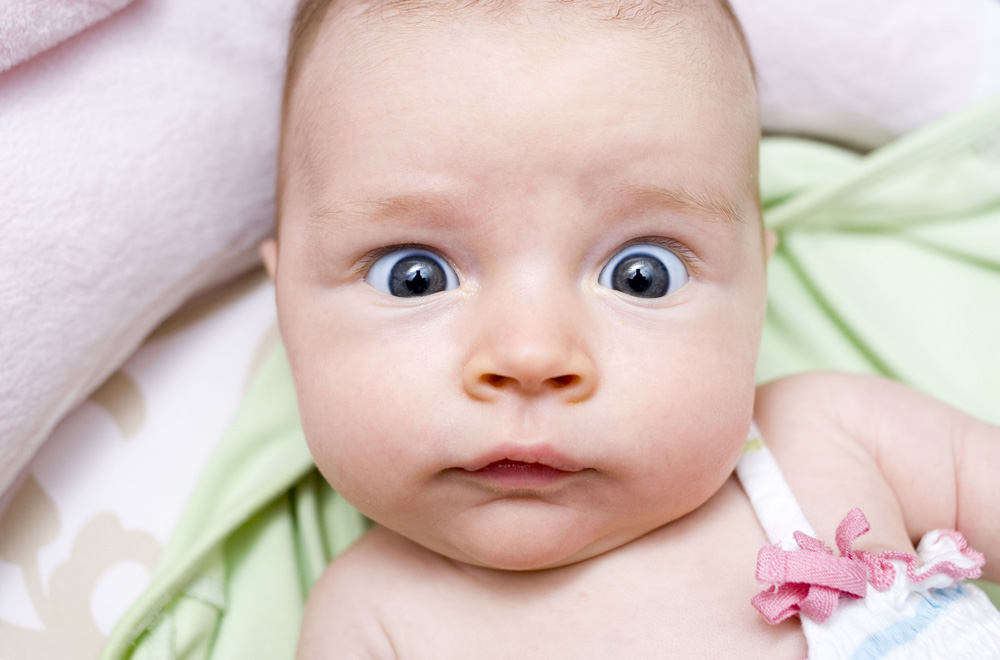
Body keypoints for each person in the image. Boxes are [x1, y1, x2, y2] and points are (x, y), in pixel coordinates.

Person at [258, 0, 1000, 657]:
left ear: (758, 288)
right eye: (413, 276)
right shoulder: (371, 620)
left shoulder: (831, 439)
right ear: (284, 301)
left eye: (641, 275)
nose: (530, 356)